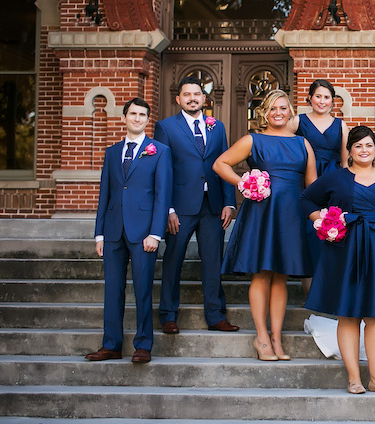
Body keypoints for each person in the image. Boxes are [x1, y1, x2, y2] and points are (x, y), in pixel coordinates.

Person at [300, 126, 375, 394]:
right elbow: (306, 200)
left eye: (369, 146)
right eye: (358, 146)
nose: (364, 150)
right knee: (348, 315)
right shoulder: (336, 178)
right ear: (349, 151)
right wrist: (324, 221)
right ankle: (353, 378)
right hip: (344, 251)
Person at [213, 90, 317, 361]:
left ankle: (276, 338)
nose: (278, 113)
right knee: (261, 273)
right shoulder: (252, 140)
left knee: (281, 276)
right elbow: (220, 163)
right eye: (273, 109)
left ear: (290, 111)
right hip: (262, 213)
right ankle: (261, 338)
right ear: (265, 113)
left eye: (283, 108)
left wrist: (320, 216)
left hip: (291, 214)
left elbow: (313, 186)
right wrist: (243, 183)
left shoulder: (302, 144)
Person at [86, 98, 172, 364]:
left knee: (143, 289)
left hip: (144, 232)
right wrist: (99, 234)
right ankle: (111, 344)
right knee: (113, 289)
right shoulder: (112, 152)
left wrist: (155, 234)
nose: (137, 118)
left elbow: (162, 195)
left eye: (142, 115)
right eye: (133, 114)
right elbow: (105, 194)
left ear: (148, 119)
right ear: (124, 117)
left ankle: (143, 344)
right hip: (113, 231)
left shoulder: (159, 151)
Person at [155, 77, 238, 334]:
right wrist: (167, 209)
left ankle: (215, 315)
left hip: (212, 206)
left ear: (204, 99)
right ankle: (168, 314)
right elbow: (162, 171)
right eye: (187, 94)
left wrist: (229, 202)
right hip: (180, 207)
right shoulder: (166, 127)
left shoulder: (217, 127)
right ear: (178, 99)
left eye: (197, 94)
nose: (192, 98)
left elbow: (224, 164)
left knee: (213, 261)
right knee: (173, 260)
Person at [291, 79, 349, 292]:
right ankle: (310, 295)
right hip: (305, 183)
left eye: (326, 97)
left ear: (333, 101)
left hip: (332, 184)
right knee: (309, 234)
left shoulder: (340, 126)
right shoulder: (297, 122)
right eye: (318, 96)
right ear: (310, 98)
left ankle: (331, 290)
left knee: (334, 231)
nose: (322, 101)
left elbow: (345, 162)